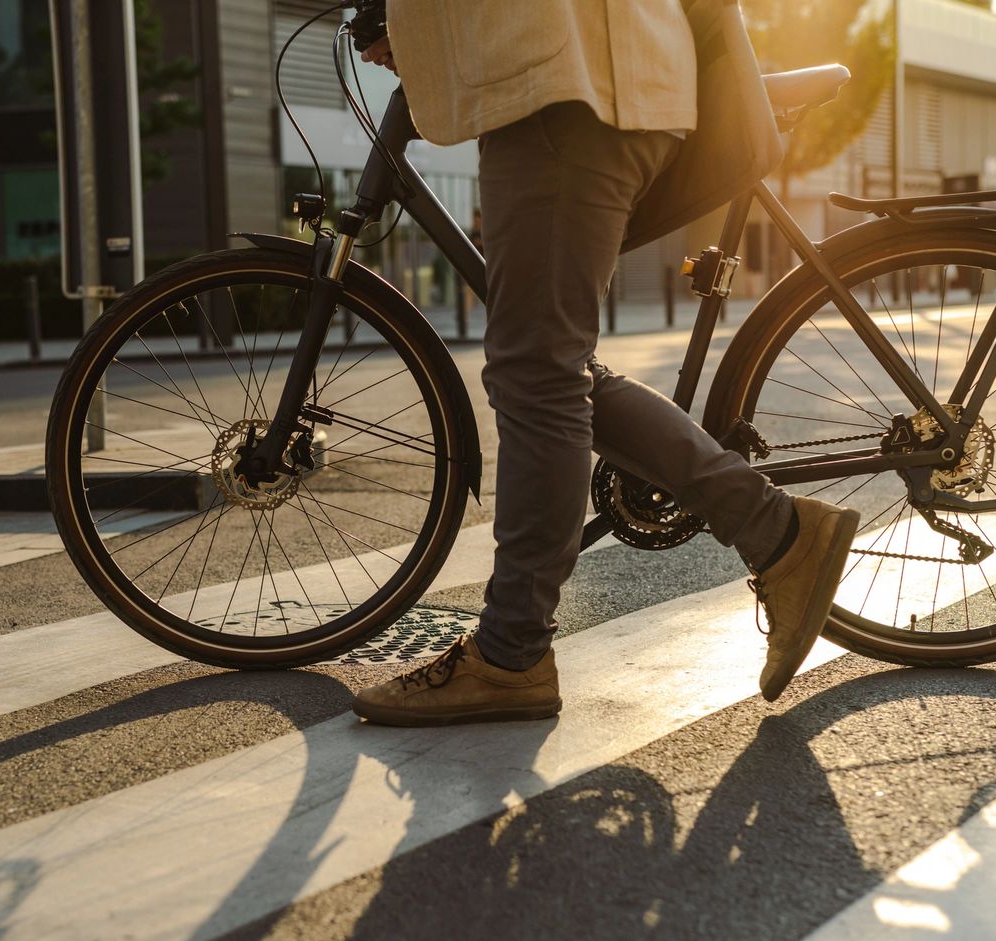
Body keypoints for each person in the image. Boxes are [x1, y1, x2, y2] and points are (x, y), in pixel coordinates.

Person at [349, 1, 859, 725]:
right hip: (601, 81)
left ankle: (510, 654)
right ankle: (774, 528)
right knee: (551, 367)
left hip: (570, 85)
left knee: (538, 375)